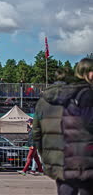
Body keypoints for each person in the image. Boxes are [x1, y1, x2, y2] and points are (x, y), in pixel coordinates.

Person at [33, 58, 93, 194]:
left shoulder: (43, 101)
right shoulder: (81, 96)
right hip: (82, 155)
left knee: (65, 188)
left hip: (58, 158)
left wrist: (45, 155)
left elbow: (36, 132)